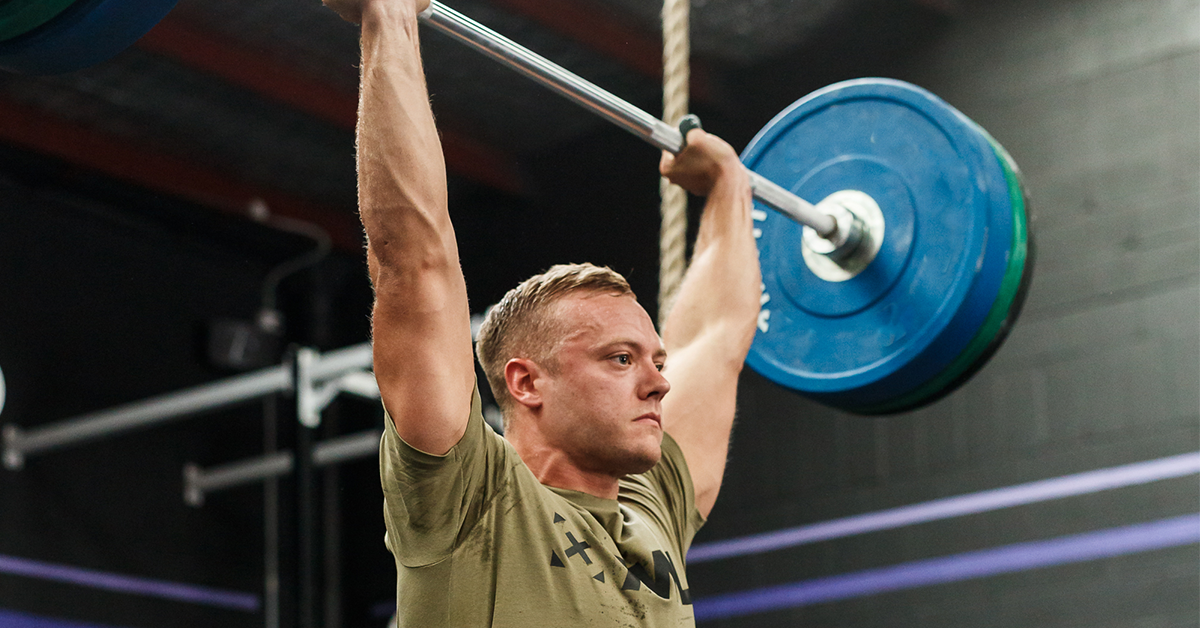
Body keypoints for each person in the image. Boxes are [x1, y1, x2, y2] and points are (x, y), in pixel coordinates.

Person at [325, 0, 761, 624]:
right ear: (526, 381)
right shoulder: (470, 499)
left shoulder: (651, 510)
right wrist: (389, 20)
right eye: (620, 358)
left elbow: (717, 339)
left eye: (654, 361)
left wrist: (730, 185)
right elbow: (413, 262)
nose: (659, 382)